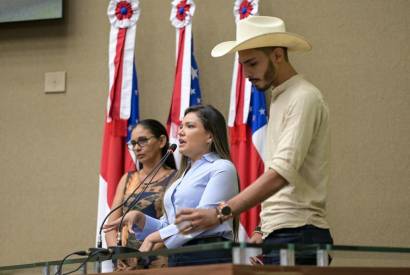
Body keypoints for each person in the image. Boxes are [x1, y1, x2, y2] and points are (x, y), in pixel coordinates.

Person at [175, 16, 334, 265]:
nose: (246, 74)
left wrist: (219, 213)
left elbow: (282, 172)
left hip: (299, 232)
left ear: (278, 55)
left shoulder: (303, 97)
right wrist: (262, 228)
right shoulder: (282, 97)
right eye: (242, 65)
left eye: (252, 63)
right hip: (280, 233)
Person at [104, 105, 239, 267]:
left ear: (210, 136)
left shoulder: (221, 167)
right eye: (181, 126)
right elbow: (169, 226)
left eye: (189, 126)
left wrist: (153, 238)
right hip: (178, 256)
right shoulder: (183, 176)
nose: (180, 132)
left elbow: (202, 220)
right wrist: (141, 220)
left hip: (208, 254)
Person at [105, 119, 177, 270]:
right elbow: (111, 226)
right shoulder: (127, 179)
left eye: (143, 141)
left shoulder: (176, 178)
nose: (137, 148)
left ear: (162, 141)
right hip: (125, 265)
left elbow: (175, 227)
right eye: (133, 143)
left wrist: (141, 255)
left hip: (160, 263)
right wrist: (116, 254)